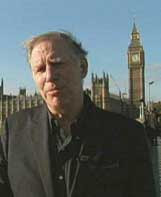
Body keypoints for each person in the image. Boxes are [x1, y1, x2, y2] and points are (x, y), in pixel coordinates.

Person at [0, 31, 156, 197]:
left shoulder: (129, 135)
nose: (50, 76)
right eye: (40, 69)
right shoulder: (14, 130)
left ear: (83, 67)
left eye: (57, 63)